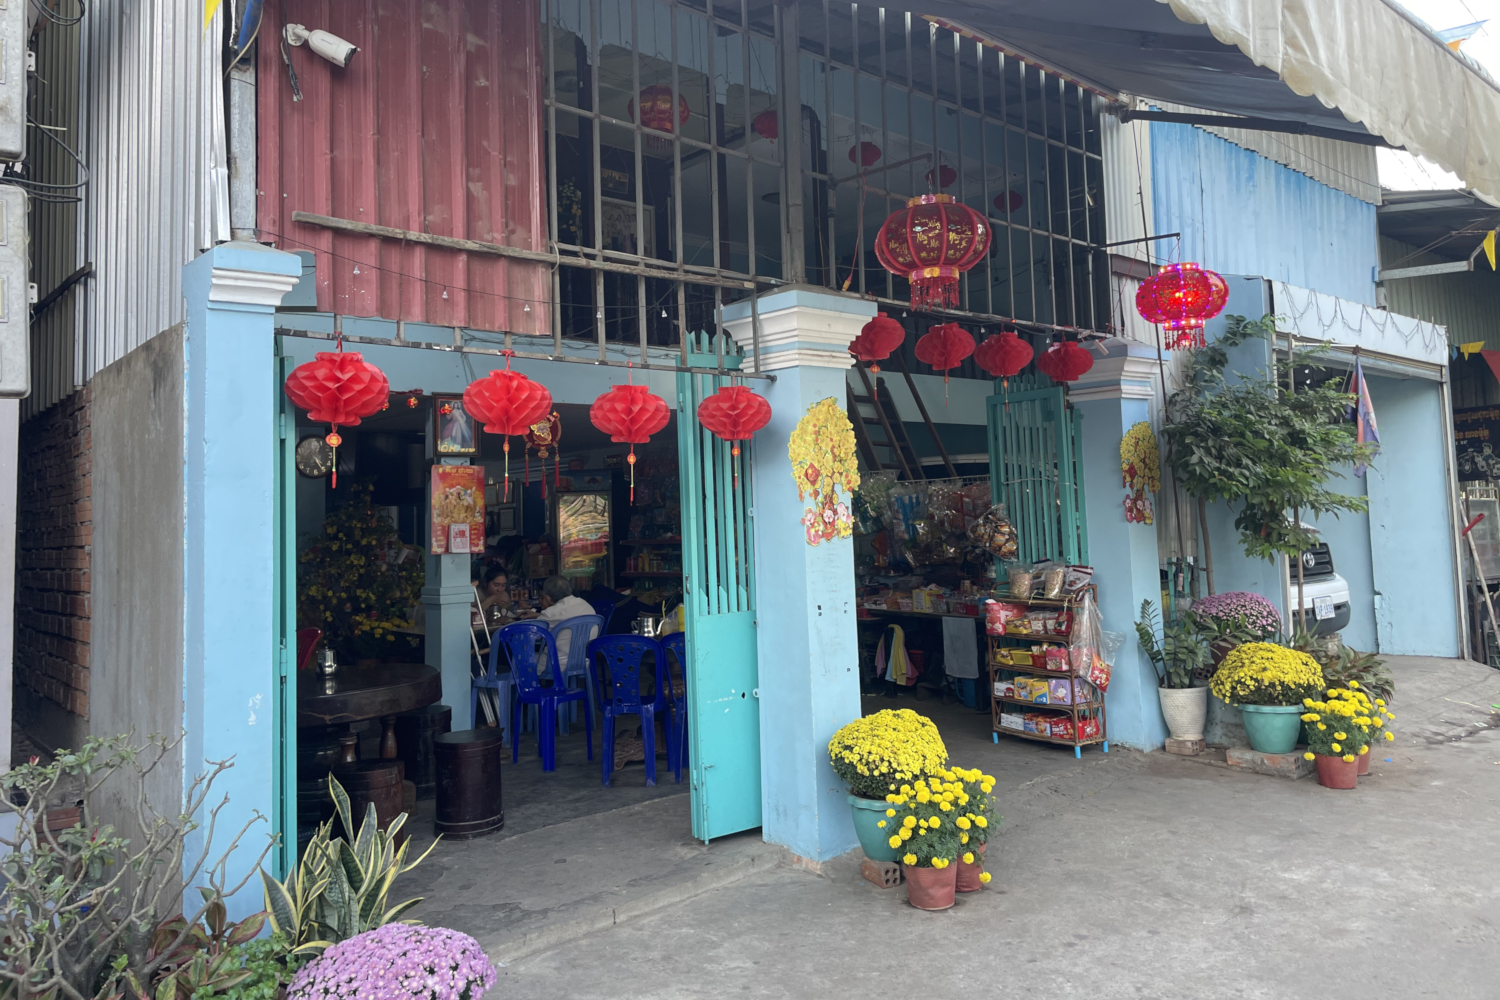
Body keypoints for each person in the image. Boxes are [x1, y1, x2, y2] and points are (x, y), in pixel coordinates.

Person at [523, 575, 596, 664]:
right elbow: (565, 617)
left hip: (556, 663)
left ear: (548, 597)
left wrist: (510, 622)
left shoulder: (552, 613)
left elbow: (530, 634)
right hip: (583, 662)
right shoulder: (586, 605)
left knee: (521, 659)